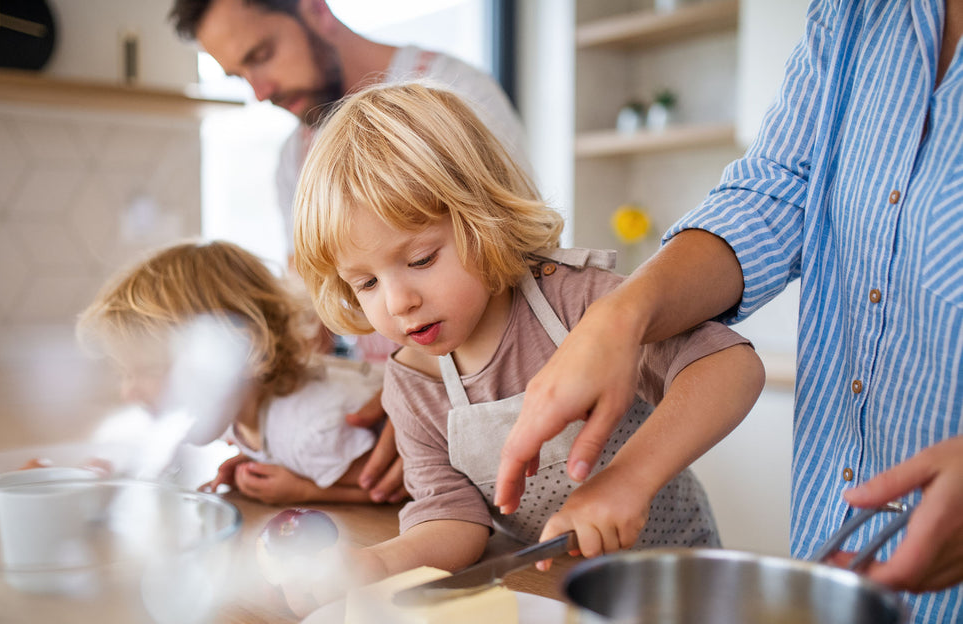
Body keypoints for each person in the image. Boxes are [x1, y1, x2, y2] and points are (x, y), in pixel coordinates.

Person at [494, 1, 963, 621]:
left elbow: (730, 368)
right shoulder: (856, 11)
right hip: (834, 534)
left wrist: (631, 474)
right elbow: (777, 188)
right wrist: (622, 315)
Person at [286, 82, 764, 610]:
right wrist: (373, 563)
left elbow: (730, 366)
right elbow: (454, 518)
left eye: (421, 259)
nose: (398, 303)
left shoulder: (578, 303)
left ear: (483, 217)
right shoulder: (413, 381)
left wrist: (628, 480)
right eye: (365, 283)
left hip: (678, 586)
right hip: (552, 593)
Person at [168, 0, 531, 506]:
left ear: (314, 10)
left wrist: (423, 396)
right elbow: (311, 313)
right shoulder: (296, 160)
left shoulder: (454, 96)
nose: (260, 89)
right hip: (391, 432)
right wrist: (274, 442)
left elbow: (519, 263)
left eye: (262, 54)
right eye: (240, 75)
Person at [76, 239, 389, 505]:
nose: (128, 392)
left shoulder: (307, 430)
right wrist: (268, 460)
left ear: (241, 352)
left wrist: (305, 488)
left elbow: (392, 482)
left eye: (149, 369)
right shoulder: (245, 408)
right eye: (124, 373)